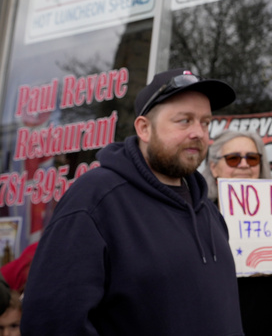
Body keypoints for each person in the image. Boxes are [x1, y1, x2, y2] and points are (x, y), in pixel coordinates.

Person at [21, 68, 243, 336]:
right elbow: (51, 322)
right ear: (144, 128)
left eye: (206, 122)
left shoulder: (207, 209)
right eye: (184, 120)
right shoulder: (95, 200)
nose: (199, 132)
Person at [203, 130, 272, 336]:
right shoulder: (198, 217)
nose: (244, 165)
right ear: (214, 168)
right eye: (233, 159)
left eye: (252, 158)